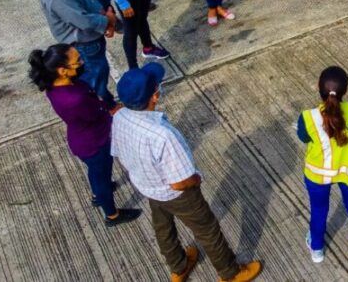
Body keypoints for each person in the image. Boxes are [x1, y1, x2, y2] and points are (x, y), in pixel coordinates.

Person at [111, 63, 262, 282]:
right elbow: (180, 182)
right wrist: (196, 179)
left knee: (163, 228)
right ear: (155, 96)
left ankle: (178, 267)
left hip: (148, 187)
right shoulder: (163, 135)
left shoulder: (119, 117)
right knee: (207, 230)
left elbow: (117, 151)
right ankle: (230, 273)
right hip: (177, 194)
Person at [27, 44, 141, 227]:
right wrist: (111, 111)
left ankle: (98, 195)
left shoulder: (55, 86)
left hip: (81, 140)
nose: (81, 63)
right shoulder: (74, 99)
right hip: (95, 143)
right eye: (77, 61)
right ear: (63, 70)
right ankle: (112, 215)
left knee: (96, 174)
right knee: (102, 177)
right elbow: (97, 112)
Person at [296, 66, 348, 263]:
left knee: (319, 210)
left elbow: (303, 137)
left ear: (318, 87)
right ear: (345, 90)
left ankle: (317, 250)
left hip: (318, 175)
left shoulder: (308, 117)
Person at [36, 0, 117, 105]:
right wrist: (106, 20)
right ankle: (106, 107)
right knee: (95, 79)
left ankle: (108, 102)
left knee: (101, 73)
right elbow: (83, 21)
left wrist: (105, 20)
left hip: (93, 37)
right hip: (83, 45)